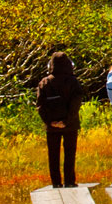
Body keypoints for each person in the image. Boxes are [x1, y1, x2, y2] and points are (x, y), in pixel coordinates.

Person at [35, 50, 82, 188]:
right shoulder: (73, 82)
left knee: (53, 155)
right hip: (70, 125)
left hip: (51, 126)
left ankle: (56, 182)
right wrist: (66, 121)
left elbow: (40, 105)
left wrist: (50, 122)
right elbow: (76, 103)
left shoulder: (44, 82)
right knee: (69, 154)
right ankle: (69, 181)